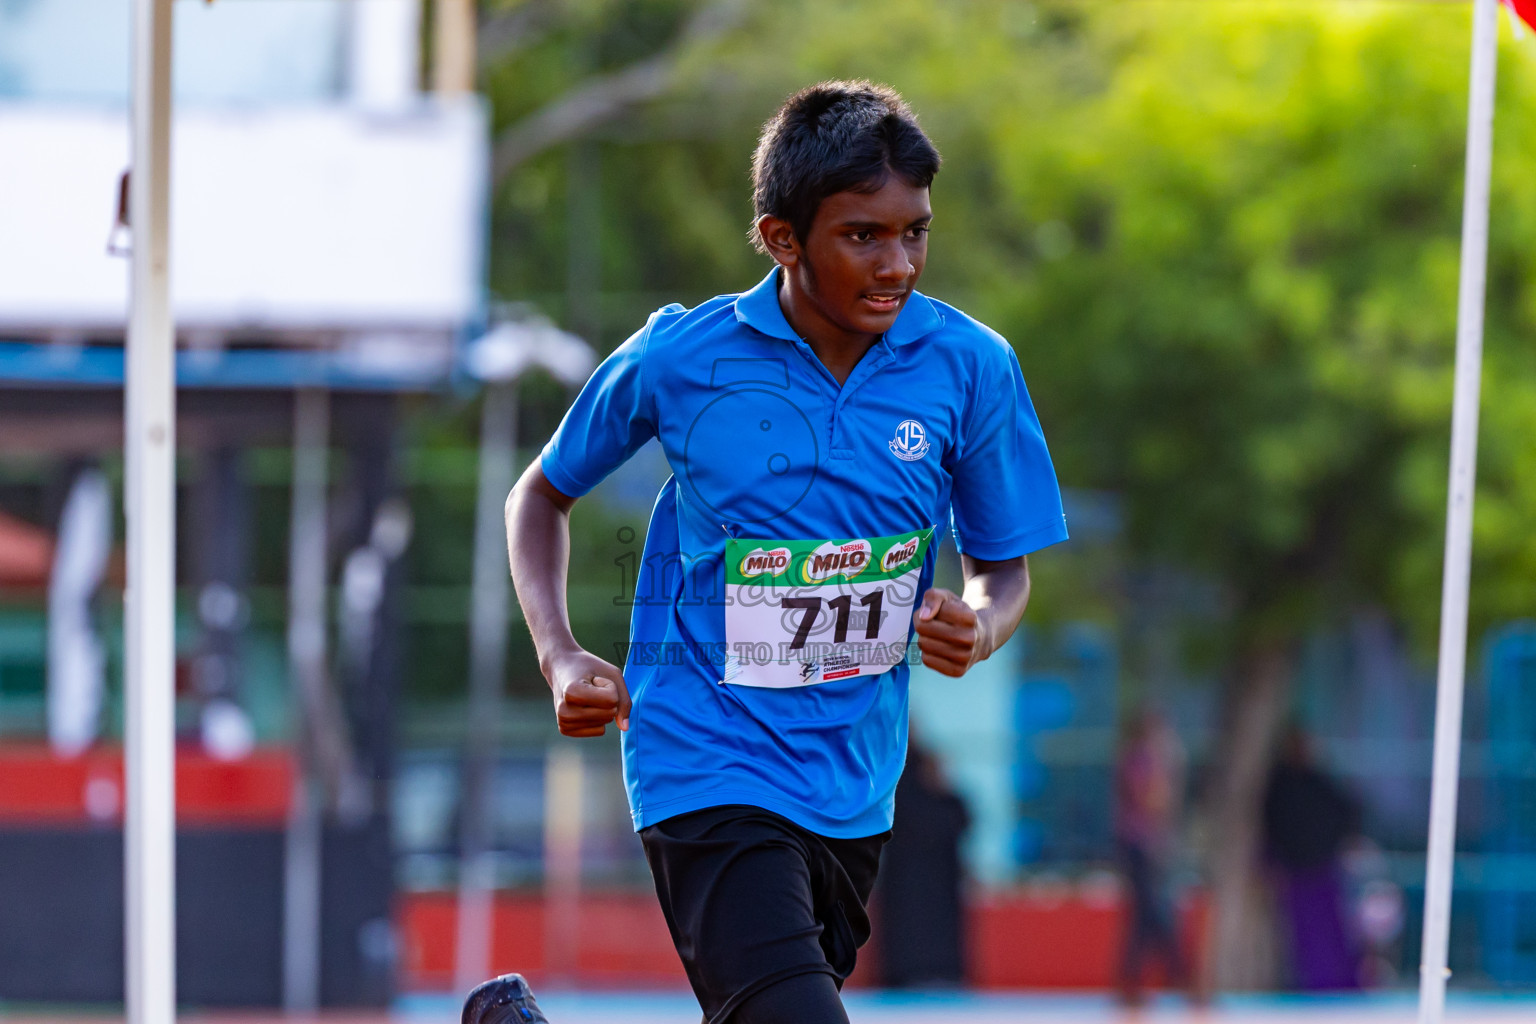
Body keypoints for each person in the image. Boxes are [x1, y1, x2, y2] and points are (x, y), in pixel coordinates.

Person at [484, 80, 1068, 1024]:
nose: (897, 264)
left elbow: (1004, 569)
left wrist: (984, 622)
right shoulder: (681, 357)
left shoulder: (972, 367)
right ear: (781, 238)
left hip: (853, 784)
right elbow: (539, 496)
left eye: (914, 231)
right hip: (702, 756)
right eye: (862, 236)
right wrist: (559, 653)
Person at [1262, 725, 1363, 990]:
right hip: (1297, 874)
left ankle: (1341, 986)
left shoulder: (1318, 783)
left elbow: (1347, 813)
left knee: (1334, 936)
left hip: (1322, 871)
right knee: (1306, 939)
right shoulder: (1280, 786)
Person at [1112, 707, 1189, 1005]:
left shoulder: (1142, 759)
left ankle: (1137, 980)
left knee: (1145, 915)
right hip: (1138, 844)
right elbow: (1153, 800)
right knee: (1151, 912)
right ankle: (1177, 973)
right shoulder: (1141, 760)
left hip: (1147, 844)